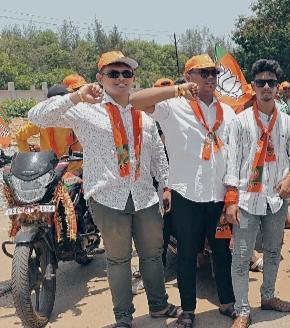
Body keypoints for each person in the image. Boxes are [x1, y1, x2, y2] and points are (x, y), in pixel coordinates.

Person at [28, 51, 178, 327]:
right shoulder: (86, 110)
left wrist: (166, 185)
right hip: (108, 197)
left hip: (144, 195)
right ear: (100, 78)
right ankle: (123, 317)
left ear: (133, 78)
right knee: (119, 260)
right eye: (113, 73)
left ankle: (158, 305)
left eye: (126, 73)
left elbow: (157, 152)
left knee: (152, 255)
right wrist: (76, 96)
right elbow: (36, 116)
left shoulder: (143, 112)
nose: (121, 79)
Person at [129, 54, 237, 328]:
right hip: (187, 194)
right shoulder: (174, 107)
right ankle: (188, 310)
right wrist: (176, 90)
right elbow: (135, 100)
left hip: (218, 195)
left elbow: (235, 152)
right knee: (187, 254)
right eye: (204, 73)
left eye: (214, 73)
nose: (211, 78)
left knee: (222, 251)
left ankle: (227, 302)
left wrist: (233, 194)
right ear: (189, 76)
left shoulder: (227, 111)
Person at [221, 59, 290, 327]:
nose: (266, 87)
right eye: (260, 83)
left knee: (272, 250)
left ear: (278, 88)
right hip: (246, 200)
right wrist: (231, 200)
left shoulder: (289, 123)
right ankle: (243, 310)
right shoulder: (240, 122)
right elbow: (232, 162)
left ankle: (268, 296)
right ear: (253, 87)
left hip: (275, 201)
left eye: (271, 82)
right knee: (241, 256)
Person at [15, 74, 85, 172]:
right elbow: (20, 136)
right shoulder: (42, 119)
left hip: (71, 172)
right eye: (77, 90)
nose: (80, 93)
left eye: (81, 89)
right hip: (54, 172)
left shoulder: (81, 116)